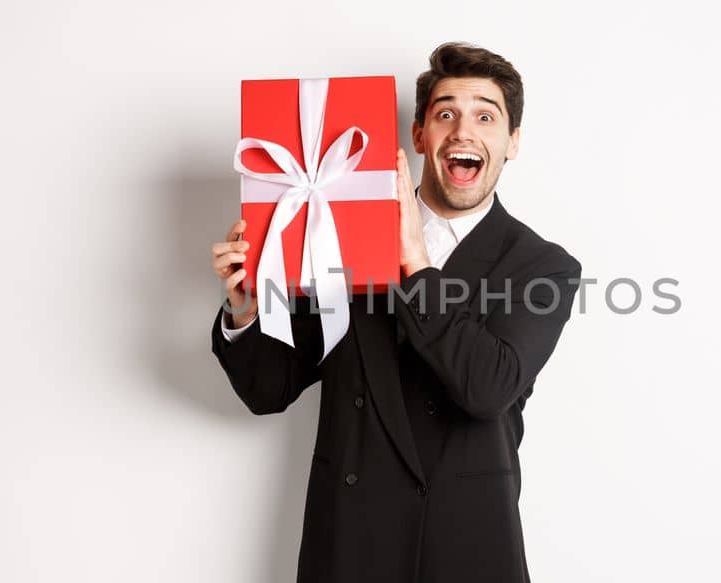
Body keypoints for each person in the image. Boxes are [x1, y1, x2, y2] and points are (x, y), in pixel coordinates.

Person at [208, 41, 582, 583]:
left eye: (485, 115)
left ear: (512, 142)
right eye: (445, 113)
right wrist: (244, 309)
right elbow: (270, 390)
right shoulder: (341, 241)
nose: (463, 131)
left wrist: (412, 258)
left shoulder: (542, 266)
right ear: (418, 135)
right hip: (351, 543)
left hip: (469, 546)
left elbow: (487, 388)